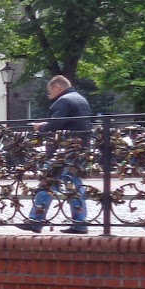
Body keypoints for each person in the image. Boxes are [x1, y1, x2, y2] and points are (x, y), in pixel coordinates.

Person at [19, 75, 93, 233]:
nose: (49, 95)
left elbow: (56, 125)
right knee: (74, 186)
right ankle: (79, 223)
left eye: (50, 91)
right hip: (80, 148)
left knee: (48, 182)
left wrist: (40, 127)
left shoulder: (64, 100)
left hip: (64, 150)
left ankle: (36, 220)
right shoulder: (80, 99)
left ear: (57, 87)